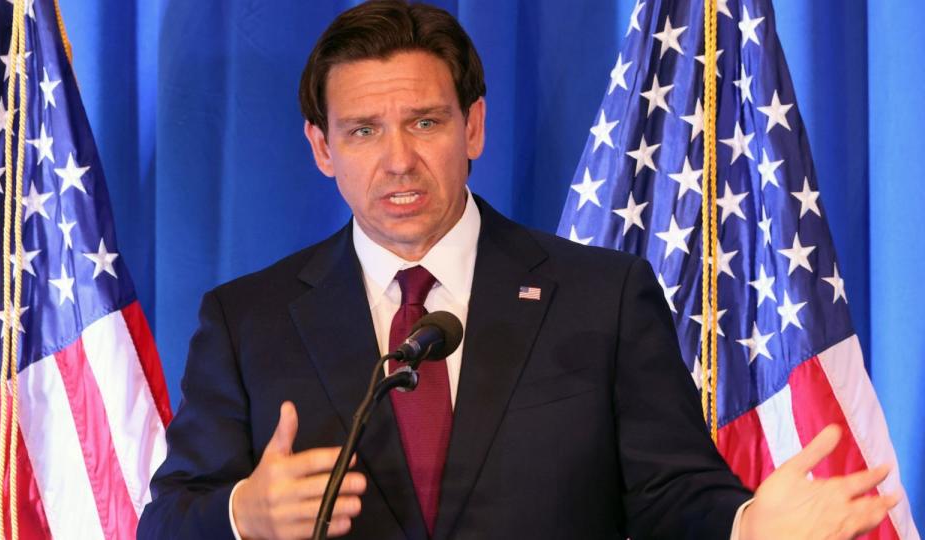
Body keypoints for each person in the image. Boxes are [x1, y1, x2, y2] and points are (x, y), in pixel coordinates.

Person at [137, 1, 898, 539]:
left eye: (425, 122)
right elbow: (167, 519)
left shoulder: (603, 297)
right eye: (363, 131)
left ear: (473, 126)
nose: (398, 159)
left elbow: (671, 493)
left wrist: (745, 527)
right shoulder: (248, 319)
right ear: (322, 148)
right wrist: (244, 515)